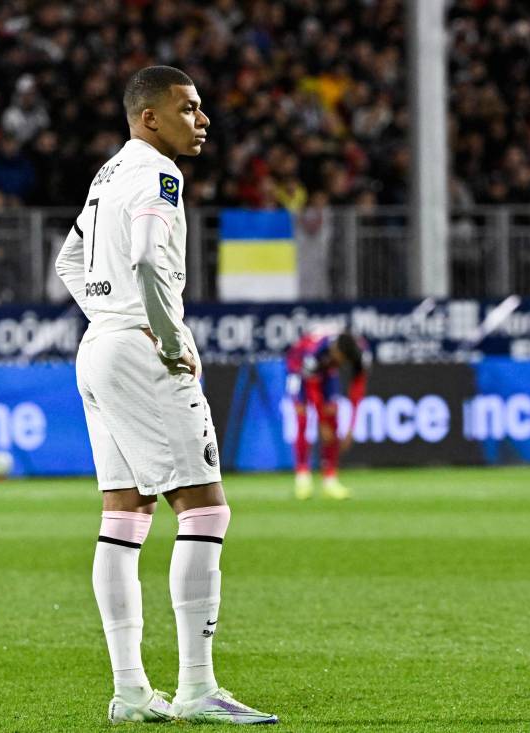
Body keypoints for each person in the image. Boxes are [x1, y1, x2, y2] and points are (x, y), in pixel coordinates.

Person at [55, 66, 277, 726]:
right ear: (150, 117)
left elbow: (71, 261)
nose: (202, 118)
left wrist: (108, 309)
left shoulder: (108, 174)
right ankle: (196, 688)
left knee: (124, 517)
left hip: (98, 347)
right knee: (205, 509)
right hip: (141, 349)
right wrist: (167, 331)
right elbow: (152, 260)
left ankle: (129, 691)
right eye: (189, 107)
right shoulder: (158, 173)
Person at [286, 329, 371, 500]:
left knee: (333, 415)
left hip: (325, 371)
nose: (342, 363)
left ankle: (330, 480)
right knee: (302, 416)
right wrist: (321, 423)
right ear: (335, 351)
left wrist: (351, 427)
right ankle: (302, 478)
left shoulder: (361, 355)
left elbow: (357, 391)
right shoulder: (315, 352)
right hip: (297, 367)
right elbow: (313, 391)